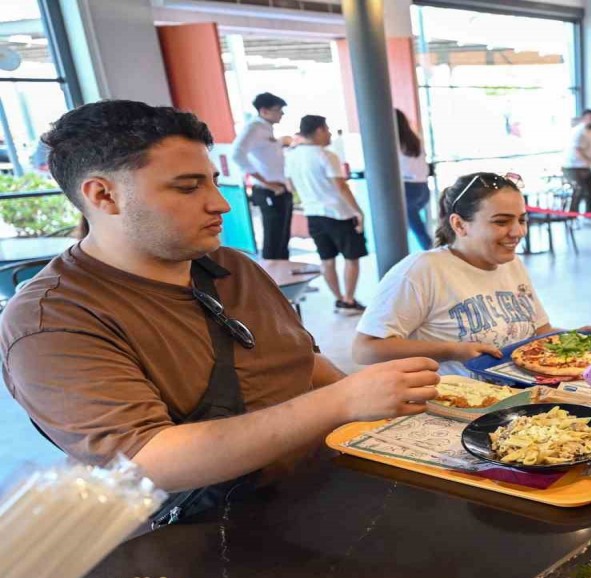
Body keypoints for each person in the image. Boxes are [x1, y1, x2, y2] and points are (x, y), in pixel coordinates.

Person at [0, 100, 439, 523]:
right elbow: (149, 461)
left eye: (213, 181)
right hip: (208, 534)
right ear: (104, 195)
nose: (220, 203)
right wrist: (340, 402)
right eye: (189, 187)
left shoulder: (233, 267)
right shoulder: (53, 320)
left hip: (324, 490)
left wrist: (379, 418)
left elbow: (302, 362)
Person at [352, 173, 591, 375]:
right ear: (459, 225)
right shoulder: (421, 270)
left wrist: (576, 339)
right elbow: (365, 350)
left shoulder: (511, 264)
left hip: (521, 399)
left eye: (522, 220)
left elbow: (539, 333)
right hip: (453, 407)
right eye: (502, 222)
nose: (518, 232)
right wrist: (452, 350)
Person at [285, 114, 367, 312]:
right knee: (351, 258)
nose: (329, 133)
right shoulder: (326, 155)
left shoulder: (292, 155)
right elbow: (341, 186)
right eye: (328, 129)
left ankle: (338, 299)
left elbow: (289, 186)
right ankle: (348, 300)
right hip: (338, 214)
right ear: (320, 130)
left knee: (326, 260)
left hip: (313, 215)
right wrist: (358, 211)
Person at [231, 92, 293, 260]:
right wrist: (266, 182)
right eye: (278, 110)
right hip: (269, 190)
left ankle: (285, 279)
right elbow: (237, 154)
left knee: (283, 237)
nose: (281, 114)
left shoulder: (266, 128)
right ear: (264, 111)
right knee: (273, 238)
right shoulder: (254, 128)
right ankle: (273, 281)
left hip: (281, 188)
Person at [395, 108, 431, 251]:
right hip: (423, 188)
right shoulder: (415, 140)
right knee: (413, 226)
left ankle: (432, 255)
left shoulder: (393, 143)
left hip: (407, 188)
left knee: (417, 230)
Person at [562, 108, 591, 215]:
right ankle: (572, 217)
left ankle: (589, 216)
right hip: (573, 167)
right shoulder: (578, 132)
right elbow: (577, 151)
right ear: (584, 119)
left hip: (586, 167)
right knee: (578, 191)